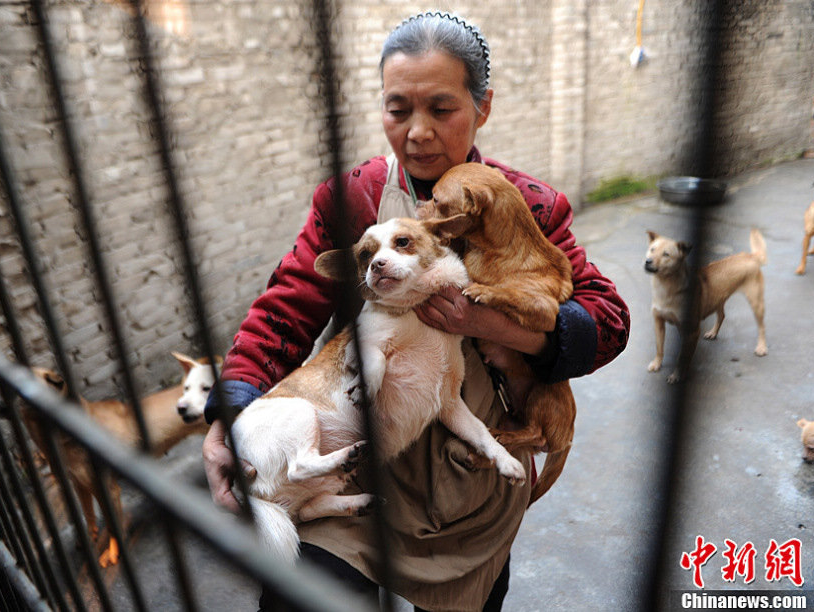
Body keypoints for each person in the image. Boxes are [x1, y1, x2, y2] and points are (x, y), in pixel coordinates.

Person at [202, 11, 630, 612]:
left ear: (482, 107)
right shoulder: (353, 197)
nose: (418, 131)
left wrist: (483, 321)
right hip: (349, 457)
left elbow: (606, 322)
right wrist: (234, 408)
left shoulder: (523, 205)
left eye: (442, 108)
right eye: (398, 109)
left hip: (466, 479)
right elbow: (286, 308)